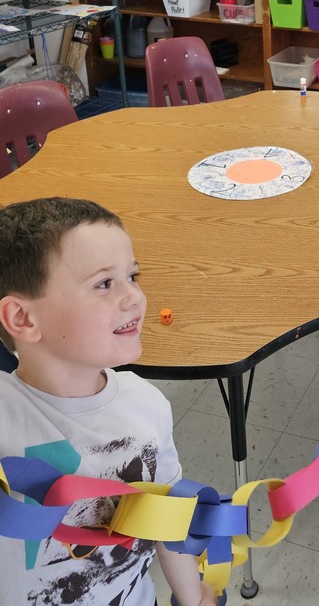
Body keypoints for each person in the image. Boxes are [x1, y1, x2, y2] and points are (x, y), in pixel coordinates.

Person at [0, 197, 217, 606]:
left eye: (133, 275)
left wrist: (194, 598)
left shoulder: (146, 405)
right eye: (104, 283)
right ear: (23, 319)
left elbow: (166, 521)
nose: (134, 297)